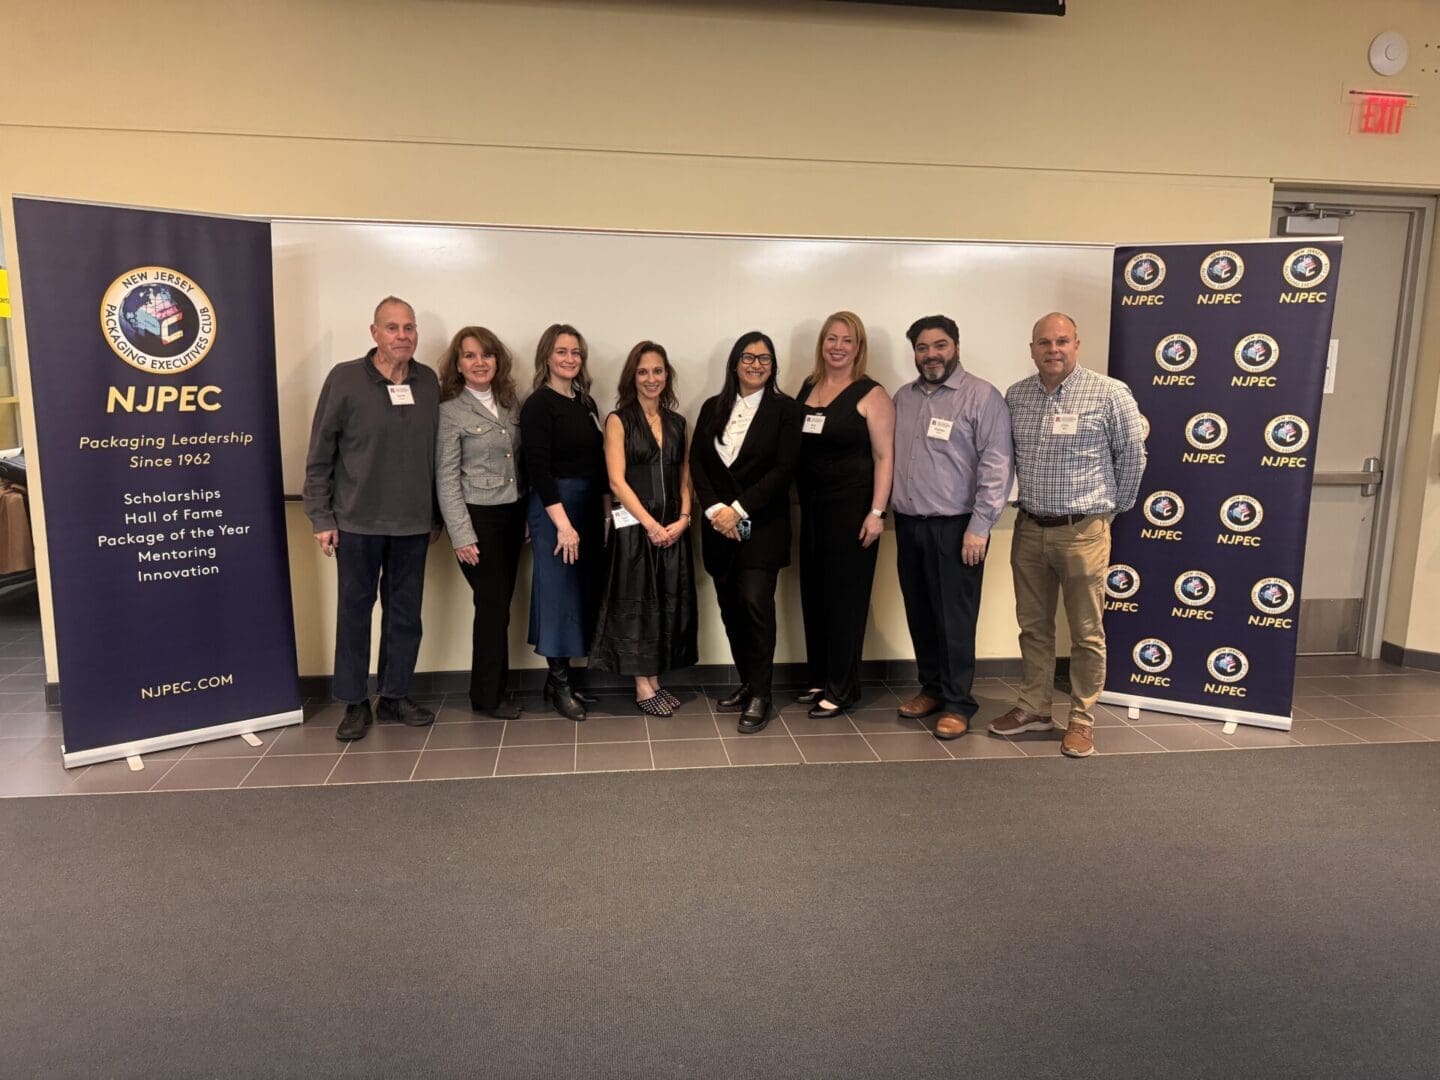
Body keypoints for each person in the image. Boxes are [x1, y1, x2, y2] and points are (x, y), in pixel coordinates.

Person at [989, 312, 1147, 758]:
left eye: (1061, 341)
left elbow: (1132, 457)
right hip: (1029, 529)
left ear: (1077, 344)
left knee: (1086, 631)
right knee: (1033, 628)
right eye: (1043, 342)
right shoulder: (1016, 396)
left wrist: (1110, 513)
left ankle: (1081, 718)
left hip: (1084, 531)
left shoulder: (1110, 393)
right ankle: (1034, 708)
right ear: (1032, 348)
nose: (1052, 350)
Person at [303, 296, 441, 741]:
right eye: (393, 327)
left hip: (413, 525)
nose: (403, 336)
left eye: (410, 327)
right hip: (356, 524)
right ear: (374, 332)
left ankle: (395, 696)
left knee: (405, 616)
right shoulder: (344, 379)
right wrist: (321, 516)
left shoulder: (429, 381)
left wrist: (436, 516)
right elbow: (319, 456)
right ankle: (355, 702)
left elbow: (435, 456)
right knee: (355, 615)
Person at [891, 314, 1013, 740]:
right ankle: (932, 689)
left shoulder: (982, 397)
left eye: (939, 345)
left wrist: (980, 527)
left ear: (956, 346)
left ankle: (959, 702)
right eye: (922, 348)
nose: (931, 355)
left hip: (959, 528)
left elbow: (997, 468)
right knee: (920, 612)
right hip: (908, 525)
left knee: (955, 620)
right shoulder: (902, 398)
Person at [690, 331, 801, 733]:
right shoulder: (711, 407)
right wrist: (717, 510)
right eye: (749, 357)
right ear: (734, 363)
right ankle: (747, 682)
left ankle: (762, 694)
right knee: (731, 610)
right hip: (718, 528)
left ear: (773, 367)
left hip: (763, 527)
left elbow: (783, 469)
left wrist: (738, 510)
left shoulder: (785, 410)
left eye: (765, 359)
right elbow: (698, 464)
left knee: (756, 606)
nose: (756, 365)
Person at [793, 311, 895, 718]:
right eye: (831, 339)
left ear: (858, 347)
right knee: (813, 596)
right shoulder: (808, 387)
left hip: (852, 512)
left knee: (845, 602)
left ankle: (842, 688)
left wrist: (877, 512)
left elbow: (885, 457)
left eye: (846, 341)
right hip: (812, 510)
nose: (837, 347)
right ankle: (820, 676)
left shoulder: (872, 394)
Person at [589, 341, 699, 714]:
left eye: (657, 371)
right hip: (636, 528)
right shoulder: (618, 420)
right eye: (643, 372)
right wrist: (652, 525)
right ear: (631, 377)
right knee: (637, 604)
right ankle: (641, 686)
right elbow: (617, 482)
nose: (651, 378)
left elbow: (686, 474)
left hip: (673, 529)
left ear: (667, 375)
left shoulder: (679, 423)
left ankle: (654, 679)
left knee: (665, 603)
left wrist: (683, 519)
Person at [435, 326, 526, 720]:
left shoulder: (509, 404)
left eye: (485, 355)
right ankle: (487, 696)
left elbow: (519, 462)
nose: (479, 363)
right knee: (491, 605)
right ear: (458, 364)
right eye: (469, 356)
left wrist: (524, 516)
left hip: (511, 514)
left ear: (497, 360)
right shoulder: (449, 410)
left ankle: (496, 687)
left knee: (501, 604)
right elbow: (446, 477)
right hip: (477, 518)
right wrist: (461, 535)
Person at [519, 323, 608, 722]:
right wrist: (563, 525)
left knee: (579, 592)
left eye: (576, 352)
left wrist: (605, 513)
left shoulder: (586, 404)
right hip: (555, 508)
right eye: (562, 352)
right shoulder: (538, 404)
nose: (570, 359)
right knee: (557, 593)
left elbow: (600, 463)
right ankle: (558, 682)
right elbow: (537, 468)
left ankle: (561, 678)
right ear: (546, 357)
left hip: (589, 506)